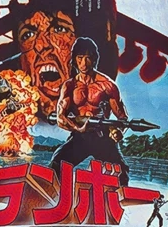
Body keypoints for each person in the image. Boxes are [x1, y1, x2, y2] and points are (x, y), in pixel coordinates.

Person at [50, 37, 131, 185]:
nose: (83, 63)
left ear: (94, 60)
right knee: (56, 164)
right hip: (79, 136)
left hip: (102, 137)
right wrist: (77, 128)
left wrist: (118, 131)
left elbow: (122, 117)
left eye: (88, 58)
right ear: (75, 59)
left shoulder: (107, 85)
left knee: (121, 172)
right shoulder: (69, 86)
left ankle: (120, 198)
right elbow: (60, 118)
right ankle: (55, 196)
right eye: (80, 58)